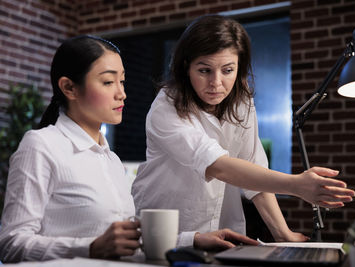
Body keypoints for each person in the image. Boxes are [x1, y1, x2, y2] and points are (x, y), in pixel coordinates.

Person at [0, 35, 257, 263]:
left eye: (122, 81)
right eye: (108, 82)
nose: (122, 93)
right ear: (69, 87)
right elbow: (11, 244)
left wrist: (195, 239)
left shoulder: (109, 159)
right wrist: (89, 248)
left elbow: (129, 243)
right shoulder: (41, 145)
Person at [132, 15, 355, 245]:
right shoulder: (166, 107)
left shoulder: (242, 102)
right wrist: (296, 185)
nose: (216, 83)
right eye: (204, 70)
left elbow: (255, 170)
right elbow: (217, 165)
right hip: (165, 236)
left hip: (220, 236)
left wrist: (283, 234)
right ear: (186, 67)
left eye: (227, 70)